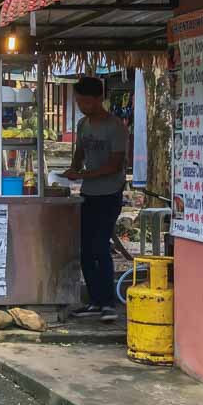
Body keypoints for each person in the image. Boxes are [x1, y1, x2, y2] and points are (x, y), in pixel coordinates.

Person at [62, 77, 128, 322]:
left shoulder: (115, 127)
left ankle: (108, 302)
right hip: (88, 193)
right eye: (79, 101)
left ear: (100, 99)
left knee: (100, 246)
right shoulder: (82, 124)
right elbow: (79, 153)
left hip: (110, 193)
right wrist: (73, 168)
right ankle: (95, 300)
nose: (82, 106)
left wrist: (83, 174)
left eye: (87, 102)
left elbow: (115, 164)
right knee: (85, 249)